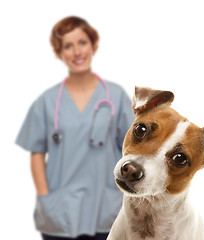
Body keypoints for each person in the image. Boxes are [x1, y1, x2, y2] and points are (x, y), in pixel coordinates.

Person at [16, 16, 134, 240]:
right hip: (60, 211)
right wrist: (44, 197)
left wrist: (120, 191)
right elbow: (37, 153)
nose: (77, 52)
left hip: (106, 207)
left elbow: (132, 146)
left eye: (82, 42)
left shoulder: (116, 96)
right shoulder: (47, 101)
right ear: (59, 53)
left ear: (93, 45)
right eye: (68, 46)